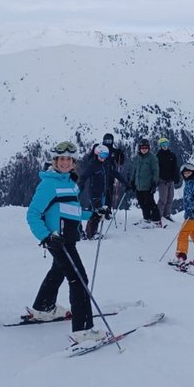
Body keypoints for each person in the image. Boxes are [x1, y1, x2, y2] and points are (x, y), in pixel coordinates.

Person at [25, 141, 105, 344]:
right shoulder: (48, 184)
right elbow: (33, 214)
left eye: (69, 159)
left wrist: (92, 214)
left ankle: (43, 307)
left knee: (58, 271)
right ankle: (83, 331)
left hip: (67, 239)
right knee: (79, 279)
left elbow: (71, 211)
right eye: (61, 159)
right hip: (58, 241)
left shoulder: (69, 183)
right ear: (55, 161)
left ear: (73, 162)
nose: (65, 162)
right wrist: (46, 236)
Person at [79, 144, 128, 239]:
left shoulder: (106, 165)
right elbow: (84, 176)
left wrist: (125, 183)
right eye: (101, 155)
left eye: (105, 155)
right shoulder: (93, 165)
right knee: (97, 213)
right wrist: (81, 184)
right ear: (96, 154)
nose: (103, 158)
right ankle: (91, 234)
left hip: (103, 193)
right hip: (94, 193)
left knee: (99, 213)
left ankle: (91, 231)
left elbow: (115, 173)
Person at [130, 138, 161, 226]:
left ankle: (156, 220)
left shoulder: (152, 158)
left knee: (150, 203)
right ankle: (146, 218)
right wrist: (132, 181)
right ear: (139, 148)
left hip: (148, 185)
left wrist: (154, 183)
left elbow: (155, 171)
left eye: (146, 148)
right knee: (142, 203)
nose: (144, 149)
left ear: (148, 148)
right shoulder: (137, 158)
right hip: (139, 185)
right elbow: (134, 171)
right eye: (142, 148)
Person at [156, 137, 181, 222]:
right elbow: (156, 169)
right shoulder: (158, 156)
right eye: (163, 144)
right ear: (160, 146)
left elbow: (175, 167)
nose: (164, 146)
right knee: (163, 199)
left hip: (171, 180)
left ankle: (166, 215)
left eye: (166, 144)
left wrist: (177, 176)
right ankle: (158, 216)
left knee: (170, 198)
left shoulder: (172, 155)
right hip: (162, 181)